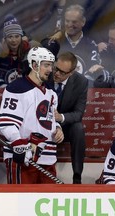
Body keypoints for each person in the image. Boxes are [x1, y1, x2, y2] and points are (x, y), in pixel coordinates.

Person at [0, 47, 64, 184]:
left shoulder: (51, 92)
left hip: (48, 157)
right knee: (21, 203)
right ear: (34, 65)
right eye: (46, 65)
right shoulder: (17, 88)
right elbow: (6, 124)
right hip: (23, 158)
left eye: (51, 65)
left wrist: (58, 129)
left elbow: (48, 119)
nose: (50, 70)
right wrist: (19, 144)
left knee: (47, 203)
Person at [48, 51, 88, 184]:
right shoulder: (45, 74)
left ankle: (77, 176)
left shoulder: (81, 82)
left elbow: (78, 113)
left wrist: (60, 118)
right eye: (56, 68)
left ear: (71, 73)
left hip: (64, 124)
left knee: (78, 128)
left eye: (62, 72)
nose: (57, 73)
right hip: (43, 122)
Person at [45, 4, 109, 88]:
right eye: (67, 21)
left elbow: (93, 70)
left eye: (74, 22)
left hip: (79, 90)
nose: (70, 24)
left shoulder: (90, 45)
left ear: (83, 22)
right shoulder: (55, 42)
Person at [0, 14, 30, 88]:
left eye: (17, 36)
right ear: (4, 39)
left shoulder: (29, 54)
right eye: (10, 37)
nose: (14, 40)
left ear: (22, 37)